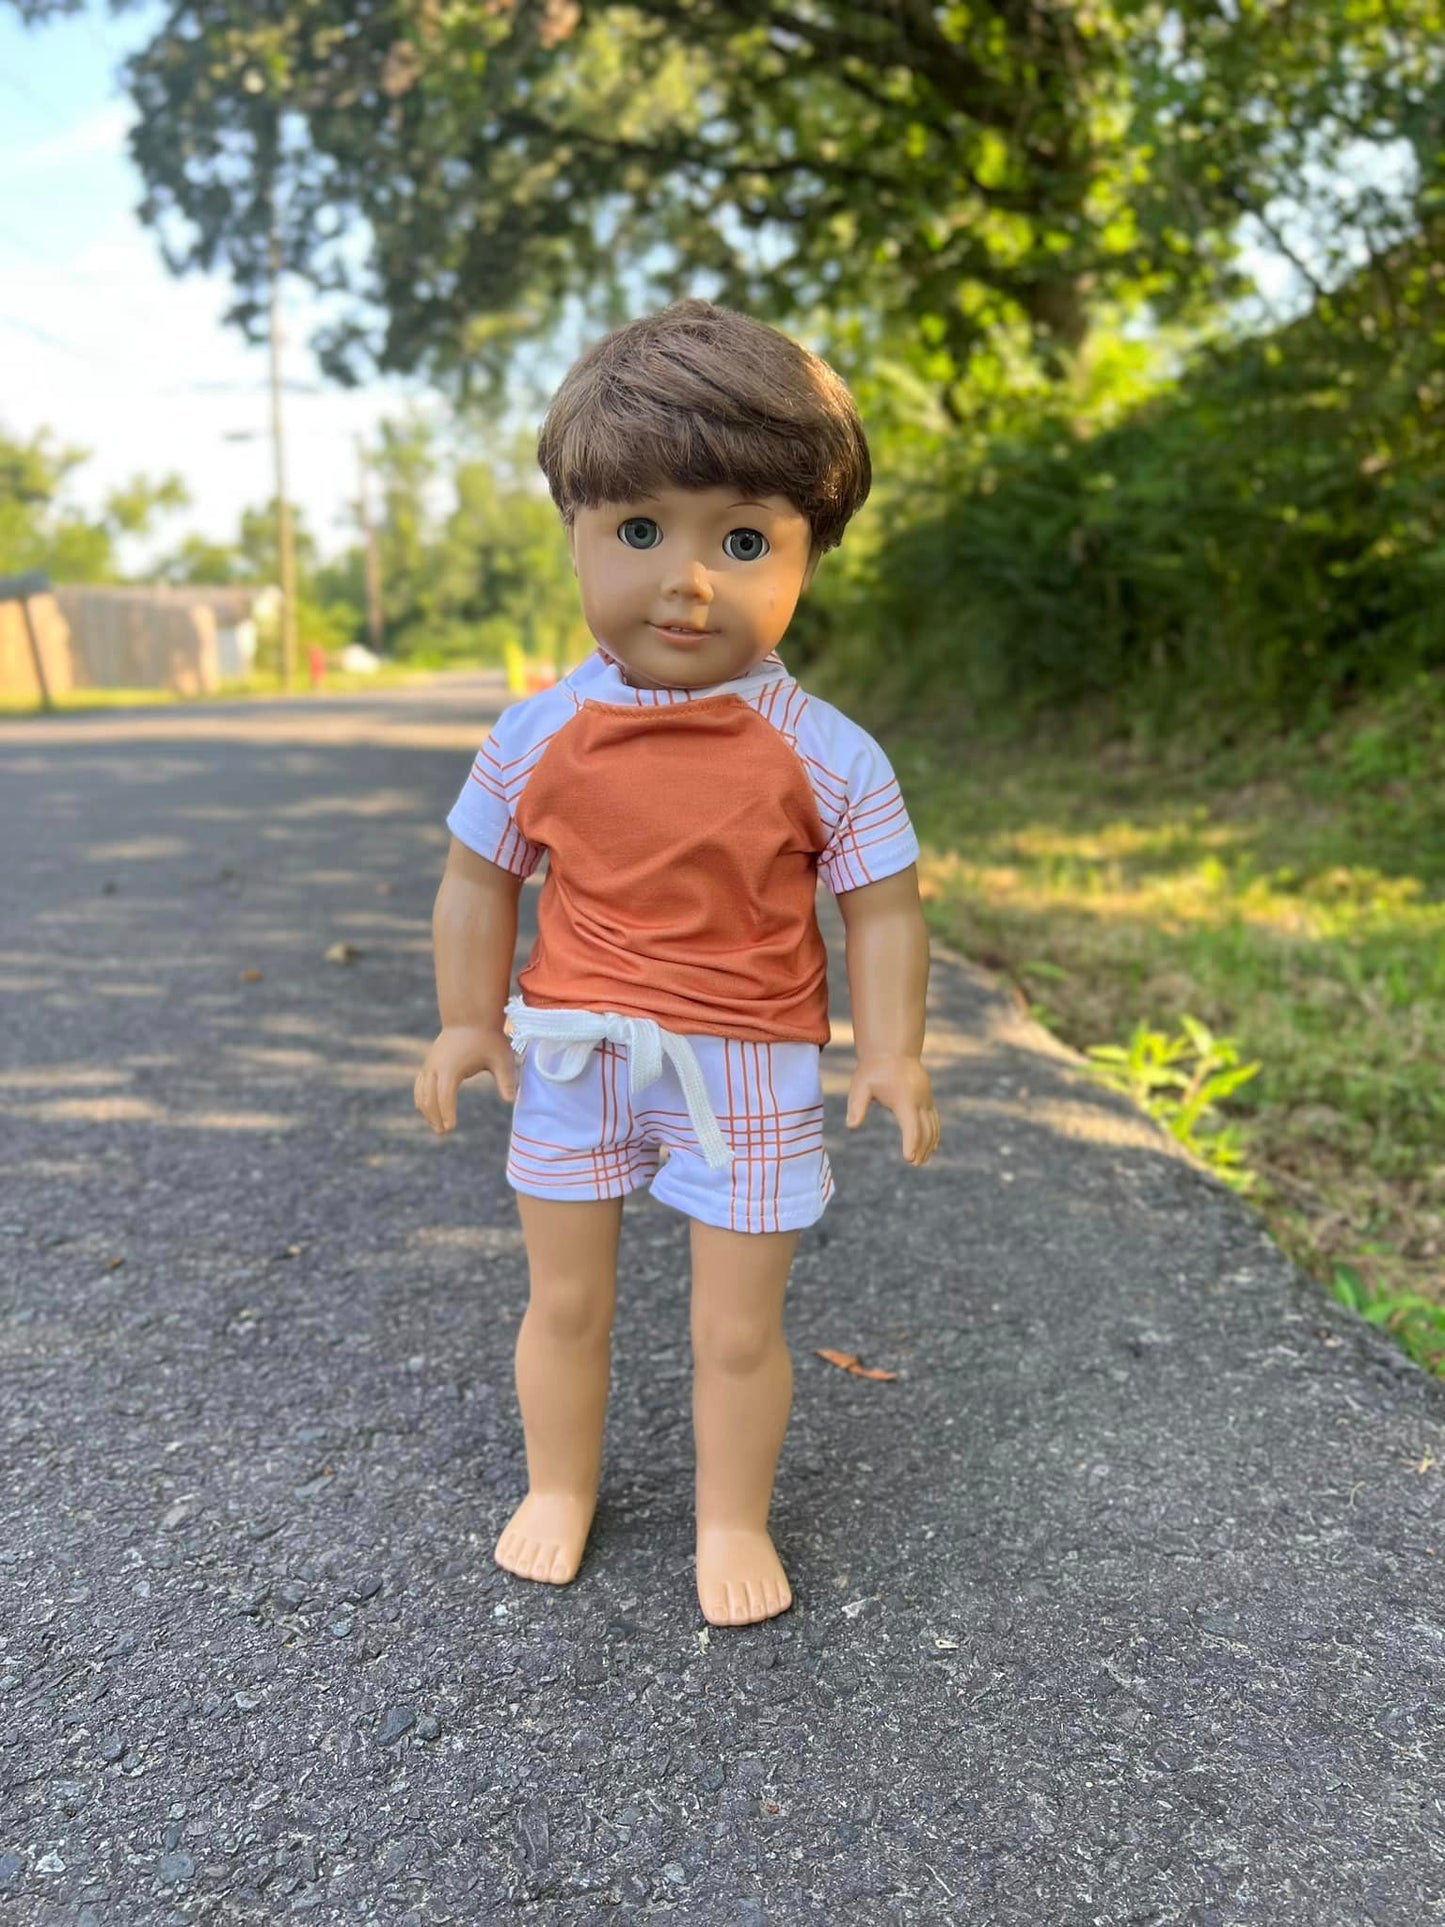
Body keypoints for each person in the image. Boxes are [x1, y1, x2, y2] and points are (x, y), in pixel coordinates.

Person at [414, 298, 940, 1627]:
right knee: (566, 1297)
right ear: (576, 533)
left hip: (749, 1064)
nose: (687, 577)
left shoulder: (825, 753)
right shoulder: (539, 734)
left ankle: (728, 1515)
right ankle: (559, 1485)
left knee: (735, 1326)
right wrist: (465, 1021)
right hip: (574, 1054)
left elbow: (881, 907)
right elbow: (479, 877)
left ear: (807, 553)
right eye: (639, 531)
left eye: (744, 539)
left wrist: (891, 1050)